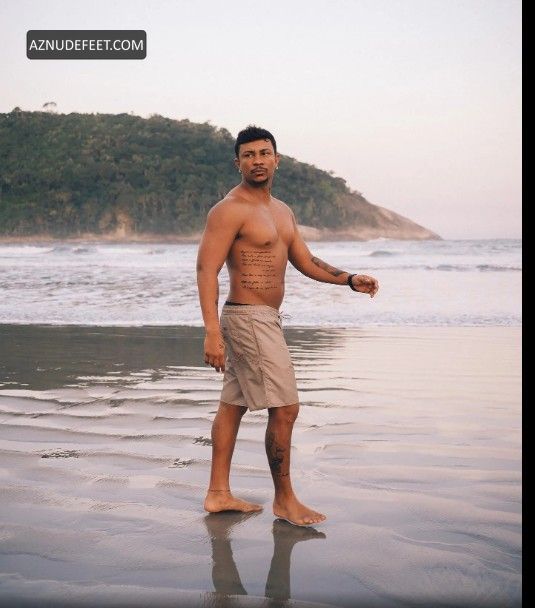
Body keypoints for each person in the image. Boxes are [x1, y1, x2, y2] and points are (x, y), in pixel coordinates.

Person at [196, 126, 379, 526]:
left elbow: (306, 261)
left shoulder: (282, 211)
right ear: (238, 163)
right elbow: (206, 269)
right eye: (248, 155)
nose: (257, 161)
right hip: (248, 318)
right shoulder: (229, 209)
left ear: (277, 160)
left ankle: (218, 493)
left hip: (264, 319)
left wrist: (349, 279)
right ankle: (285, 500)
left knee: (233, 405)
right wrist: (211, 331)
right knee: (286, 409)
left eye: (264, 153)